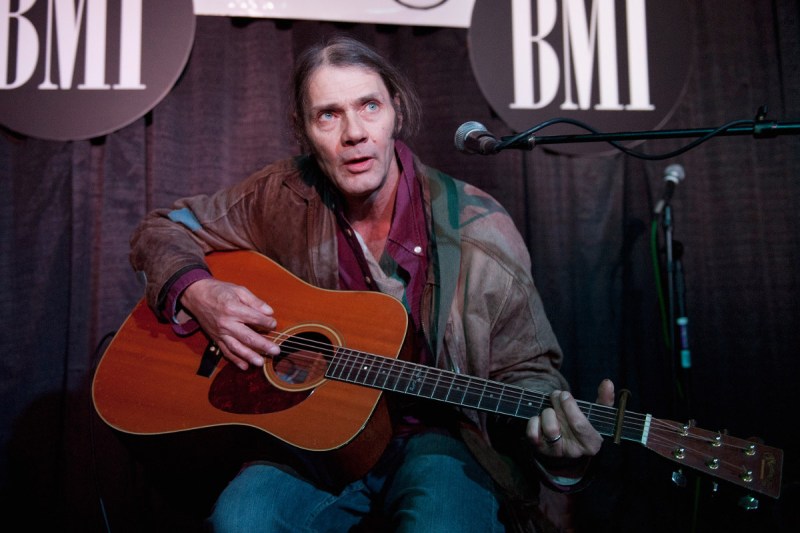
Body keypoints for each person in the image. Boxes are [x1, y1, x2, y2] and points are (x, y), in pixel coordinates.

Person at [129, 34, 615, 532]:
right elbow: (163, 229)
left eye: (369, 106)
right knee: (240, 521)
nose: (355, 133)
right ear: (302, 129)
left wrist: (557, 445)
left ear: (396, 110)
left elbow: (526, 370)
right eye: (329, 115)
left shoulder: (479, 229)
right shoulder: (280, 196)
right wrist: (200, 292)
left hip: (440, 440)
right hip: (315, 439)